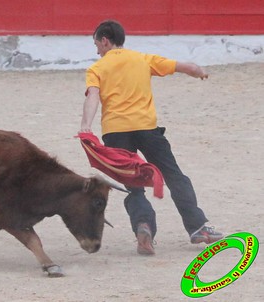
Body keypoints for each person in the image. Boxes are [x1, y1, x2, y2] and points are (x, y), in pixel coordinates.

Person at [80, 20, 223, 255]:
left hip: (115, 132)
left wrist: (86, 127)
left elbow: (93, 97)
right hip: (147, 128)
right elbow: (183, 66)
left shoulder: (97, 69)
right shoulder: (143, 59)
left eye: (96, 44)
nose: (97, 50)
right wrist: (198, 71)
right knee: (174, 175)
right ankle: (198, 227)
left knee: (133, 187)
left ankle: (143, 226)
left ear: (105, 40)